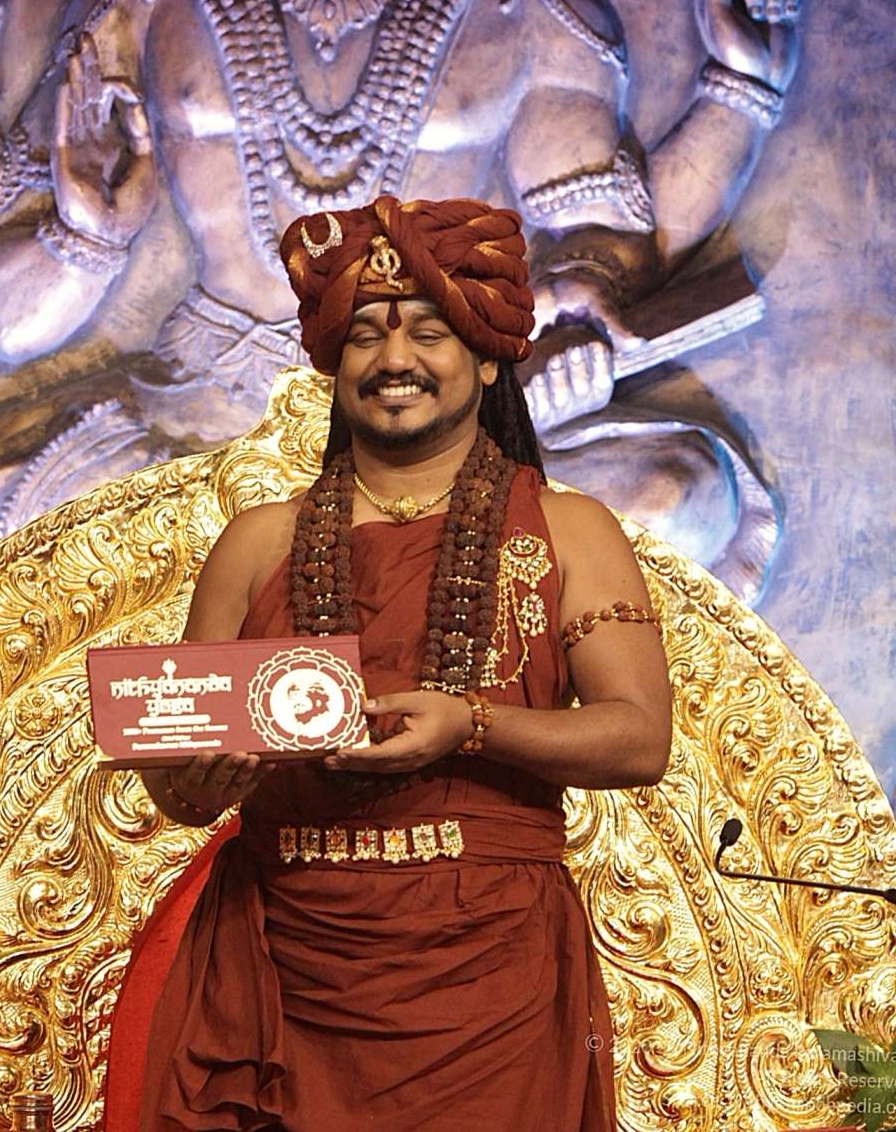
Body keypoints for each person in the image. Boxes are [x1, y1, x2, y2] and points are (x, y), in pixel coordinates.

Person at [136, 195, 673, 1130]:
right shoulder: (258, 543)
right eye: (363, 336)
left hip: (489, 983)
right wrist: (199, 781)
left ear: (488, 356)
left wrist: (471, 723)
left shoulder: (567, 529)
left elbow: (638, 739)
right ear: (331, 361)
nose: (393, 360)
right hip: (278, 973)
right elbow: (177, 782)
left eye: (428, 333)